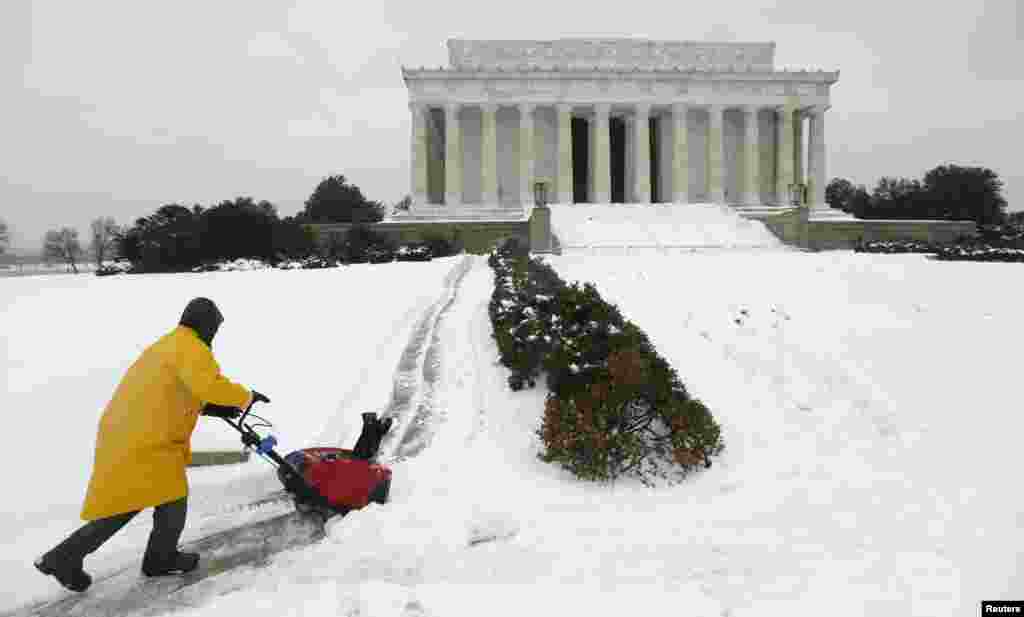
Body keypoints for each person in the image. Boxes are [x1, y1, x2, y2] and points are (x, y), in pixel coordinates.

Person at [34, 297, 269, 592]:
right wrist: (246, 397)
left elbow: (172, 390)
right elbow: (207, 384)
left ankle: (64, 557)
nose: (214, 334)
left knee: (134, 500)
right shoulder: (191, 348)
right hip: (147, 440)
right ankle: (159, 559)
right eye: (214, 328)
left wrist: (210, 408)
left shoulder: (171, 344)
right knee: (171, 498)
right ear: (206, 325)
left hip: (129, 432)